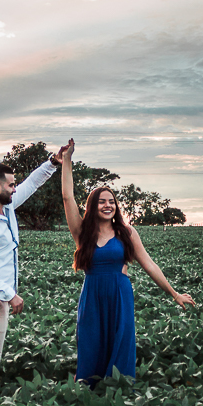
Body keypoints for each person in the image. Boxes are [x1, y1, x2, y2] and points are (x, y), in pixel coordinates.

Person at [60, 139, 195, 385]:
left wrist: (174, 294)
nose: (107, 205)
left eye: (111, 201)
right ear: (92, 206)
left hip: (120, 295)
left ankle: (119, 394)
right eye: (102, 201)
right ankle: (89, 396)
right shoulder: (82, 232)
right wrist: (67, 161)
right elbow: (68, 198)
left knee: (120, 342)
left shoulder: (127, 233)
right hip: (92, 295)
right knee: (91, 343)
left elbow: (150, 265)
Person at [0, 147, 66, 390]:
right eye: (11, 184)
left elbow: (31, 184)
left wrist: (52, 162)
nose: (15, 188)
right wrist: (10, 294)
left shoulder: (6, 208)